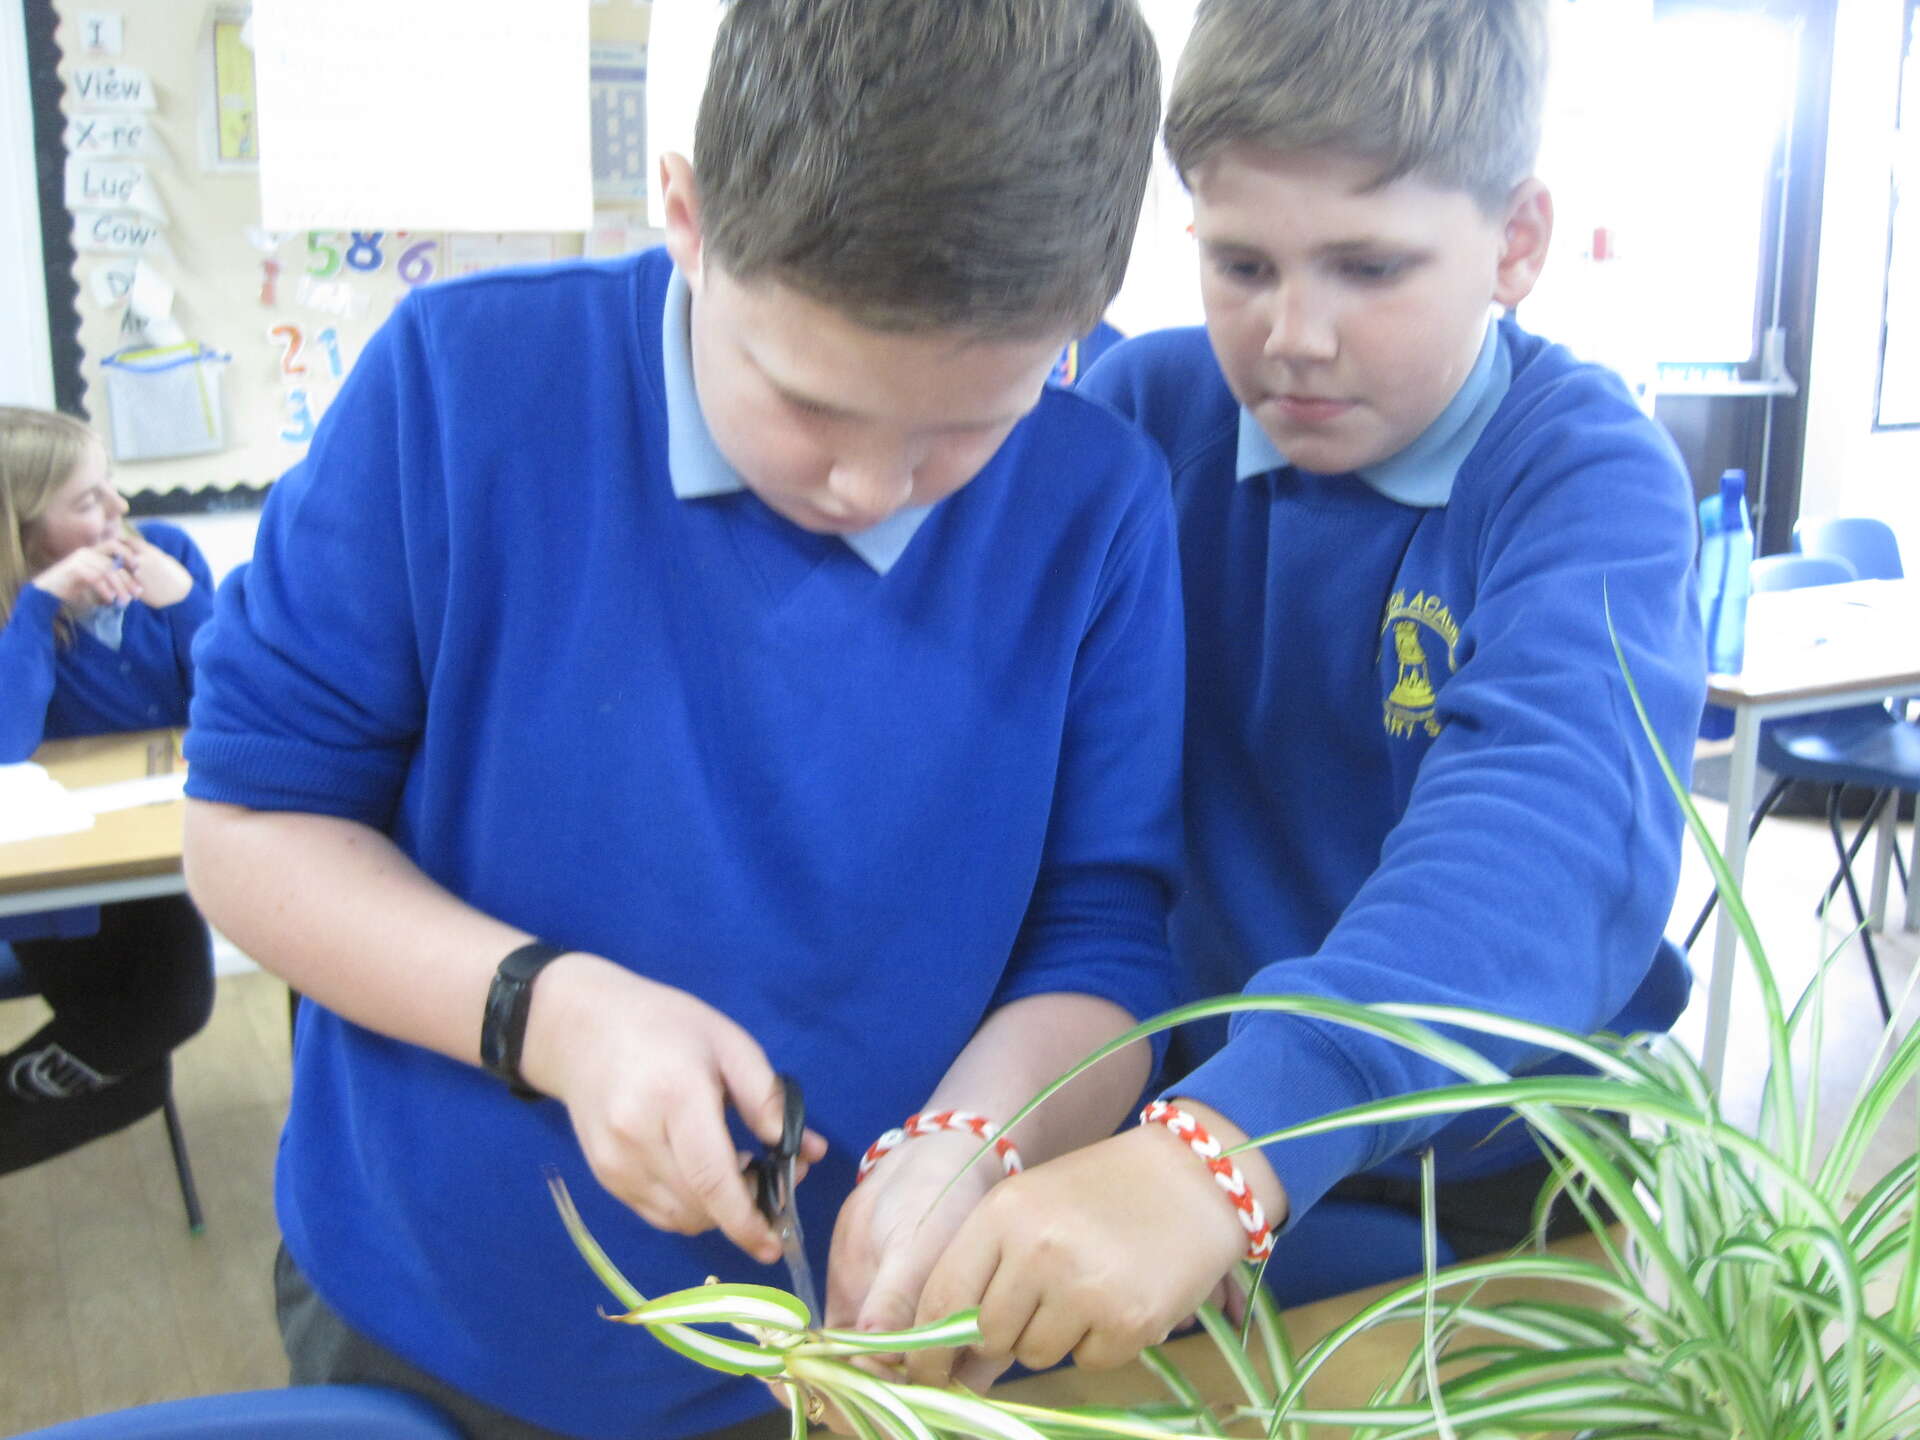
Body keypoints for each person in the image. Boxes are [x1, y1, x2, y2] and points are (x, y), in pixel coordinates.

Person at [179, 2, 1180, 1437]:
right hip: (442, 1322)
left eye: (971, 423)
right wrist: (553, 1013)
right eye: (808, 404)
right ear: (685, 213)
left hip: (867, 1355)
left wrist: (984, 1133)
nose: (870, 488)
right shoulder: (459, 390)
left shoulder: (1100, 504)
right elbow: (250, 828)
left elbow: (1103, 937)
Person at [909, 0, 1707, 1383]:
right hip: (1172, 1168)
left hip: (1478, 1202)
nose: (1295, 335)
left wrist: (1236, 1143)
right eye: (1241, 264)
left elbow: (1542, 845)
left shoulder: (1581, 476)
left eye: (1369, 267)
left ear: (1515, 244)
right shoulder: (1139, 420)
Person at [0, 405, 215, 1172]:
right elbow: (3, 746)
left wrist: (185, 599)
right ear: (24, 529)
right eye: (89, 500)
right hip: (58, 891)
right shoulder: (14, 611)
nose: (120, 510)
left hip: (158, 853)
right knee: (146, 1050)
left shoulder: (168, 553)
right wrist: (38, 605)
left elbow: (236, 699)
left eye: (112, 488)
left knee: (146, 1050)